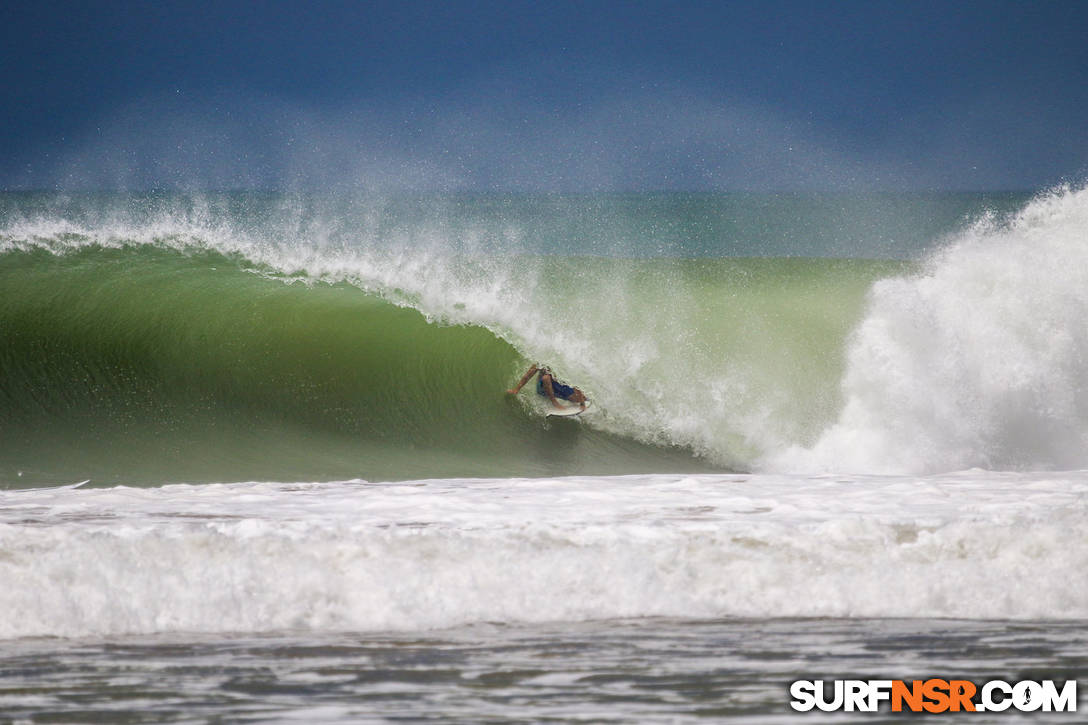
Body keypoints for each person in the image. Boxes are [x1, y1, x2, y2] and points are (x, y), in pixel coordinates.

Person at [506, 364, 587, 410]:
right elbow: (527, 376)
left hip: (557, 385)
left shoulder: (562, 361)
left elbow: (574, 380)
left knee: (579, 398)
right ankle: (554, 402)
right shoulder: (540, 362)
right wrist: (516, 389)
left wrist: (582, 402)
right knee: (546, 378)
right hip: (543, 387)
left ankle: (582, 398)